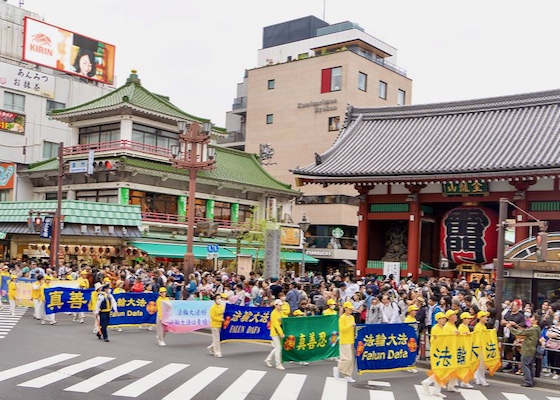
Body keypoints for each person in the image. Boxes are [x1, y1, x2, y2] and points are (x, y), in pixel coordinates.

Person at [509, 313, 541, 387]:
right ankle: (531, 380)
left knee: (525, 365)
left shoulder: (532, 329)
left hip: (527, 349)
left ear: (536, 320)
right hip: (533, 349)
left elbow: (520, 332)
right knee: (531, 366)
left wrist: (510, 328)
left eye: (532, 318)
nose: (530, 319)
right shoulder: (538, 329)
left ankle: (528, 381)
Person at [421, 311, 447, 398]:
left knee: (441, 371)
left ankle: (435, 389)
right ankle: (428, 383)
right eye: (442, 318)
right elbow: (434, 340)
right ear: (438, 320)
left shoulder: (442, 328)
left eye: (444, 318)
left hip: (442, 351)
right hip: (437, 352)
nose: (444, 320)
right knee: (439, 370)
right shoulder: (435, 328)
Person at [333, 301, 356, 383]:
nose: (351, 310)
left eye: (351, 309)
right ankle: (339, 369)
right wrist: (351, 325)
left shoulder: (352, 317)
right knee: (347, 358)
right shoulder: (342, 318)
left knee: (351, 360)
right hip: (344, 340)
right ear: (345, 308)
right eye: (349, 309)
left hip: (351, 340)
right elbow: (342, 329)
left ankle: (348, 375)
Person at [265, 299, 286, 370]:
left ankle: (268, 359)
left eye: (281, 305)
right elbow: (276, 324)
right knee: (279, 348)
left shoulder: (281, 312)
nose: (281, 306)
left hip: (279, 332)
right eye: (280, 305)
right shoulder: (273, 313)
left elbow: (285, 319)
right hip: (274, 332)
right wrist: (281, 333)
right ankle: (278, 364)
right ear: (275, 305)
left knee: (277, 347)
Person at [457, 312, 475, 389]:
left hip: (466, 348)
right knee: (463, 365)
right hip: (463, 349)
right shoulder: (461, 327)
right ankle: (463, 381)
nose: (469, 320)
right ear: (463, 319)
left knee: (464, 365)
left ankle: (463, 381)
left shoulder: (465, 326)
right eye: (467, 318)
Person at [474, 311, 490, 386]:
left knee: (482, 364)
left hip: (484, 347)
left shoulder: (484, 326)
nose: (486, 318)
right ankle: (482, 379)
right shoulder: (478, 326)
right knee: (481, 364)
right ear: (480, 318)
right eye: (485, 317)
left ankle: (478, 378)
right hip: (480, 347)